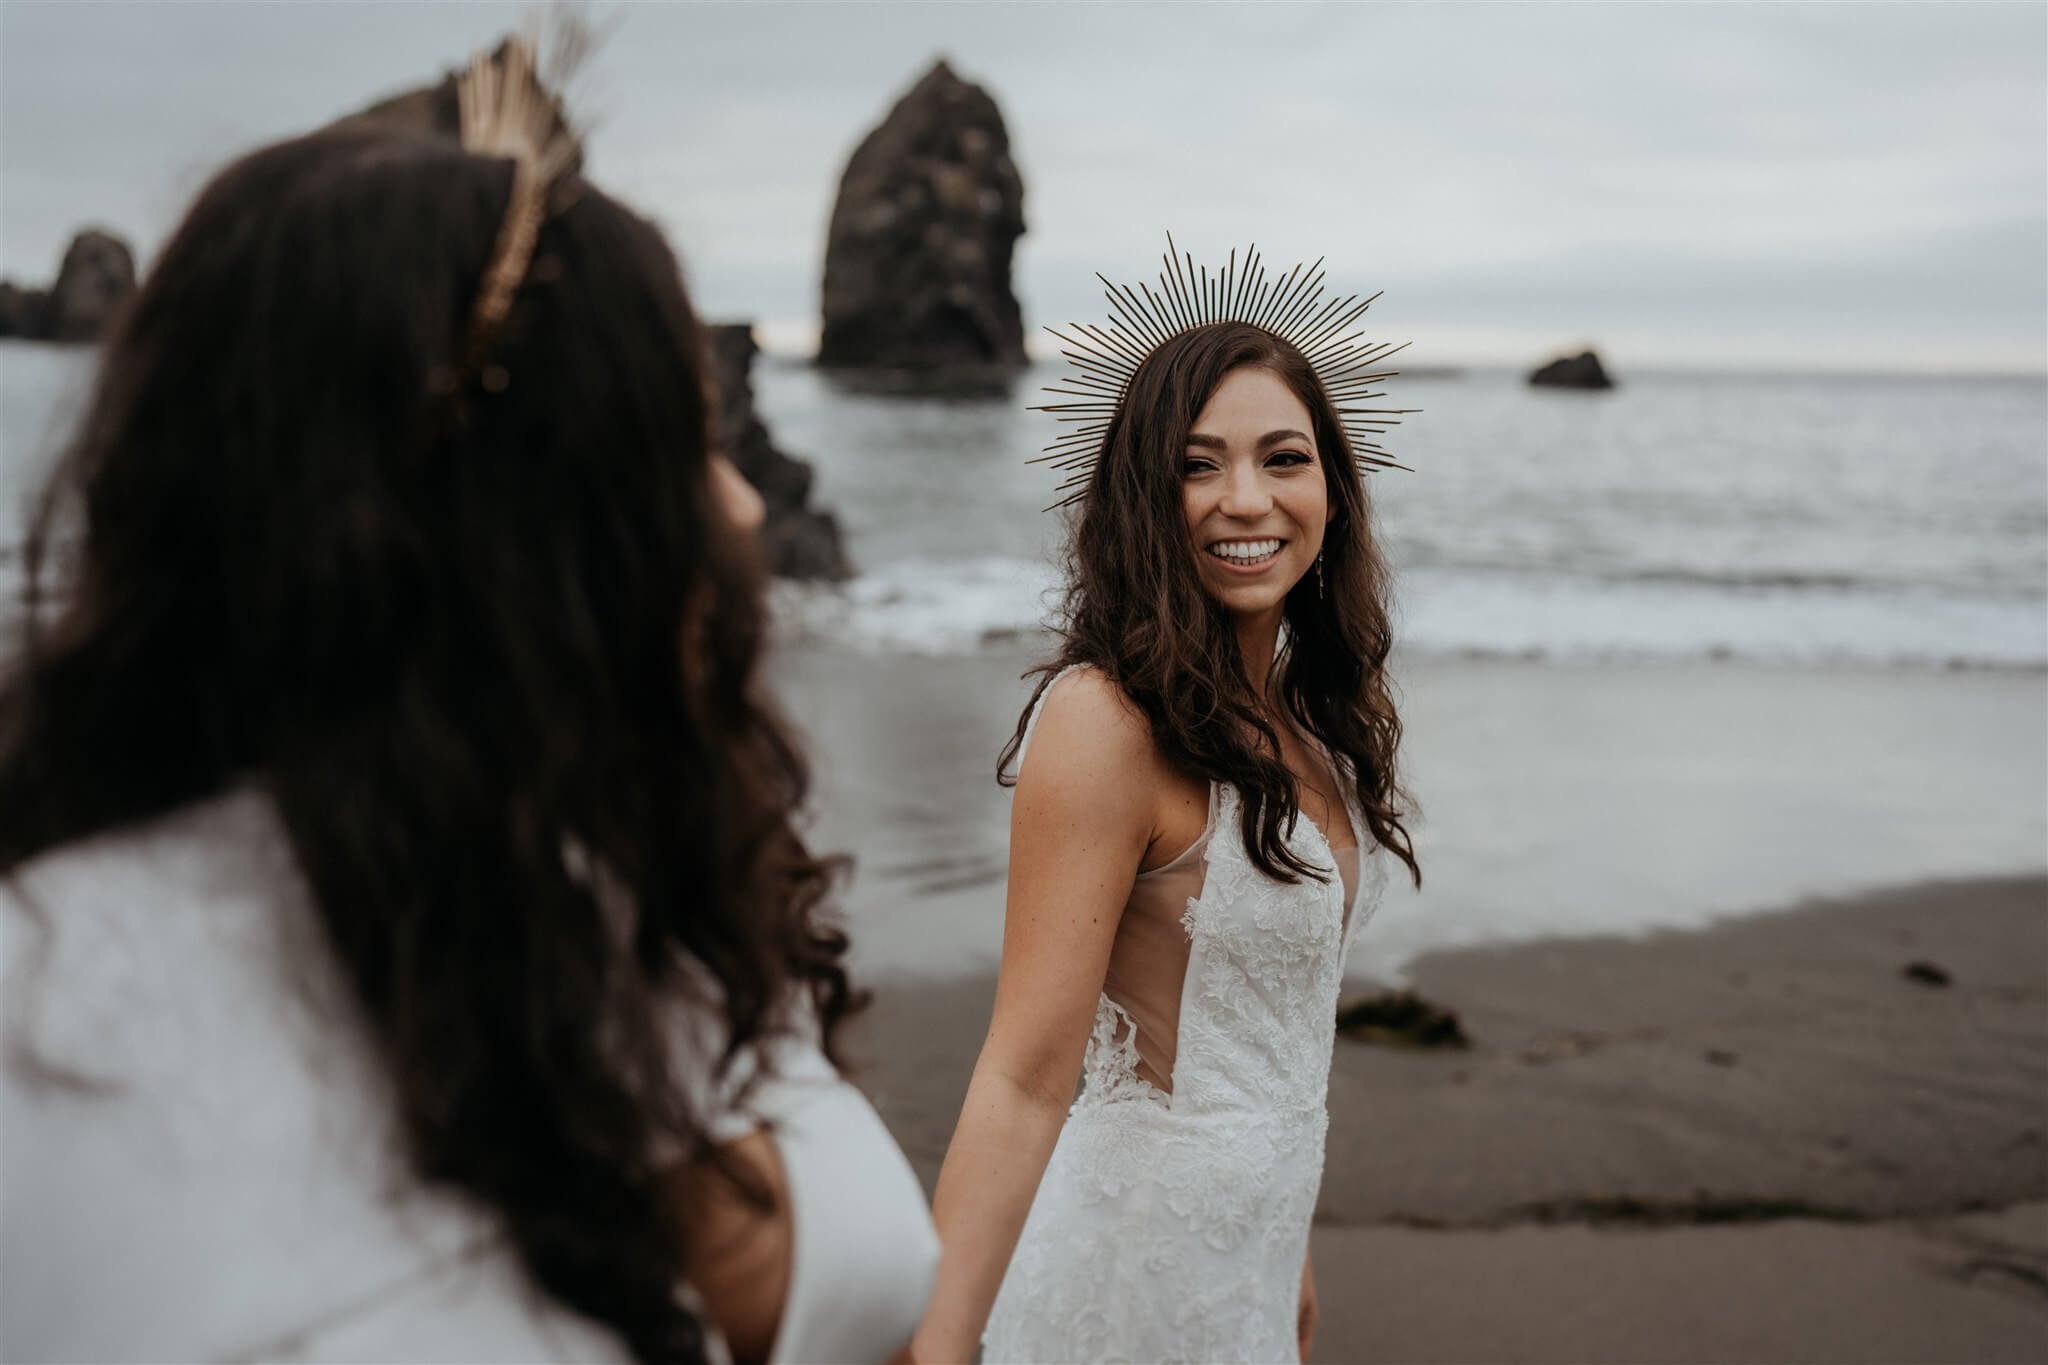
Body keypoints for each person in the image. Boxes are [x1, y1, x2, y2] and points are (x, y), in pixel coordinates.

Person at [0, 40, 935, 1365]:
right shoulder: (53, 1022)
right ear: (539, 531)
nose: (738, 506)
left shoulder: (643, 877)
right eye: (689, 446)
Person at [910, 251, 1424, 1364]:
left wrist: (1284, 1261)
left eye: (1282, 459)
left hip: (1239, 1279)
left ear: (1330, 490)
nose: (1247, 499)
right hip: (1122, 1278)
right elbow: (1022, 1071)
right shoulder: (1104, 721)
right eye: (1198, 466)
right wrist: (937, 1343)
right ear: (1146, 496)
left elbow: (1264, 1047)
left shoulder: (1309, 726)